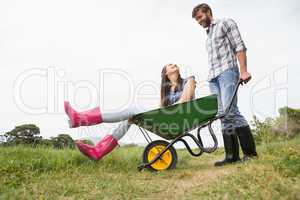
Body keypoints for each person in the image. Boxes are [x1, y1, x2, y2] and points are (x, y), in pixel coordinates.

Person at [64, 64, 196, 160]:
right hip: (169, 119)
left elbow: (184, 103)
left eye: (174, 64)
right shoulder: (166, 91)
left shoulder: (188, 81)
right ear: (166, 73)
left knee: (133, 108)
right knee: (130, 117)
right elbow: (160, 110)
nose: (175, 65)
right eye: (170, 65)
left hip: (178, 118)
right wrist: (144, 116)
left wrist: (163, 113)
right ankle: (98, 151)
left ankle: (81, 118)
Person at [192, 3, 258, 166]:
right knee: (222, 113)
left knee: (231, 111)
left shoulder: (225, 23)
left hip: (228, 71)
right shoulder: (208, 36)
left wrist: (243, 70)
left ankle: (250, 154)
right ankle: (231, 156)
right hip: (213, 77)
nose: (199, 21)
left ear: (208, 12)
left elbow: (239, 46)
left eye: (200, 17)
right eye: (197, 20)